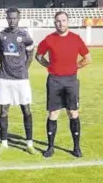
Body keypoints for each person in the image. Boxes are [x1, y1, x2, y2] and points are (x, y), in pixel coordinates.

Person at [35, 11, 92, 158]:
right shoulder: (49, 39)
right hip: (54, 80)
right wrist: (49, 66)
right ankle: (50, 147)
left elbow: (88, 58)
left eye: (64, 20)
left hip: (71, 81)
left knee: (73, 113)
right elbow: (38, 56)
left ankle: (76, 147)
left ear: (68, 21)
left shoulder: (76, 39)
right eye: (58, 21)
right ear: (55, 23)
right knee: (53, 113)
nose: (61, 23)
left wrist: (75, 67)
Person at [0, 7, 36, 154]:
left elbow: (31, 53)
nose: (12, 20)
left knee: (26, 109)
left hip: (21, 79)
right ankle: (4, 143)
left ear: (19, 18)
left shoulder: (25, 35)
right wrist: (6, 66)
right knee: (3, 110)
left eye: (14, 18)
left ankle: (29, 143)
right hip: (5, 78)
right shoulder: (0, 35)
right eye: (10, 18)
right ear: (6, 18)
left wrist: (24, 68)